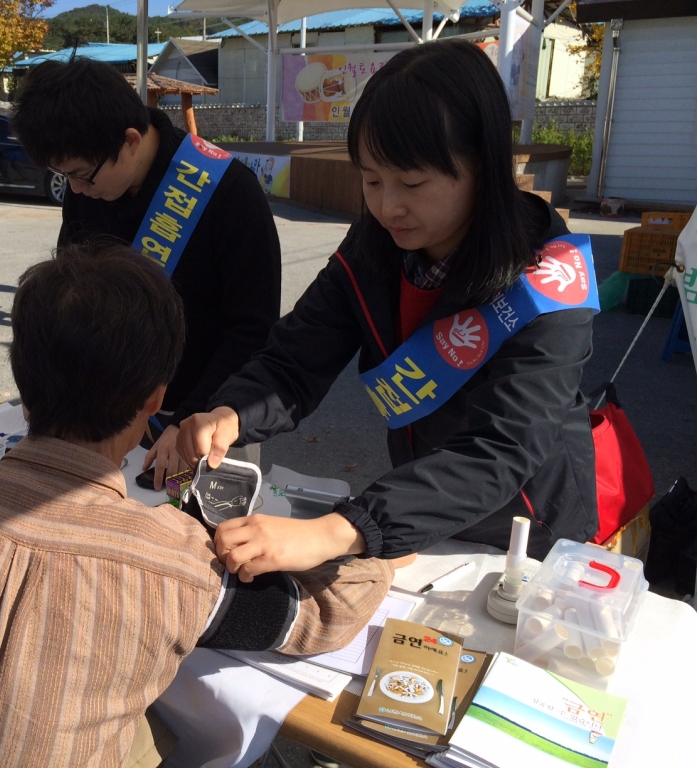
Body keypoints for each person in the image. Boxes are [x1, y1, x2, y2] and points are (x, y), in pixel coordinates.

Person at [0, 245, 393, 768]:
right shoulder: (174, 563)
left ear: (21, 376)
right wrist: (368, 546)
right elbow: (327, 616)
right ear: (155, 399)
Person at [178, 40, 599, 580]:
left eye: (413, 183)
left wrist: (340, 530)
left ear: (482, 164)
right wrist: (230, 412)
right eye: (371, 179)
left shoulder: (548, 275)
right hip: (417, 509)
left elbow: (503, 447)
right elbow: (298, 354)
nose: (386, 206)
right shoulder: (375, 243)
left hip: (527, 530)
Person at [12, 58, 282, 490]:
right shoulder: (89, 187)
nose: (76, 191)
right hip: (107, 422)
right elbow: (72, 301)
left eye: (81, 175)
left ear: (130, 140)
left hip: (208, 419)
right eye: (64, 177)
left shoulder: (227, 190)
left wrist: (193, 419)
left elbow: (254, 328)